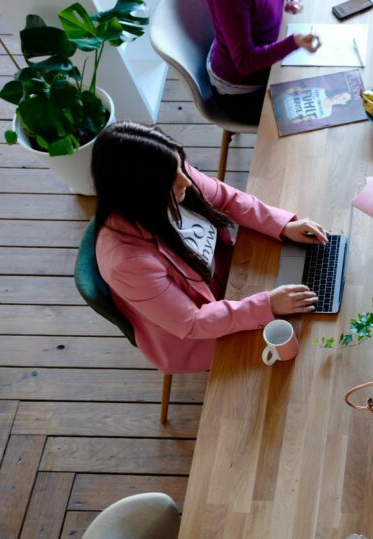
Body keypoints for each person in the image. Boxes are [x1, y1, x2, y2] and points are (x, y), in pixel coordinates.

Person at [92, 121, 329, 374]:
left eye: (181, 166)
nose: (188, 181)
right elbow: (192, 322)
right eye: (174, 179)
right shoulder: (127, 263)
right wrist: (267, 305)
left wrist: (282, 225)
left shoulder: (169, 173)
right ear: (141, 192)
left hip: (231, 278)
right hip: (198, 333)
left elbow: (227, 199)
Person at [205, 0, 321, 125]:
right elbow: (245, 62)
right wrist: (293, 43)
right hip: (243, 94)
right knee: (311, 121)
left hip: (268, 63)